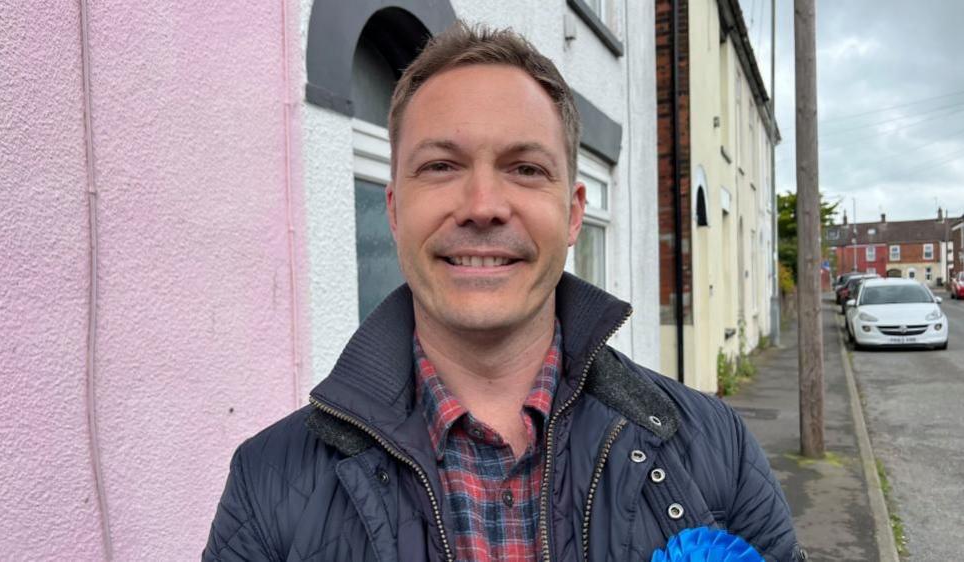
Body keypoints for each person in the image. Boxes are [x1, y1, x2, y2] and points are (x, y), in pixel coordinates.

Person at [203, 22, 800, 562]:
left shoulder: (716, 452)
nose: (483, 206)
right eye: (440, 166)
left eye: (525, 168)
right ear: (394, 210)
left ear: (572, 215)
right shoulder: (267, 487)